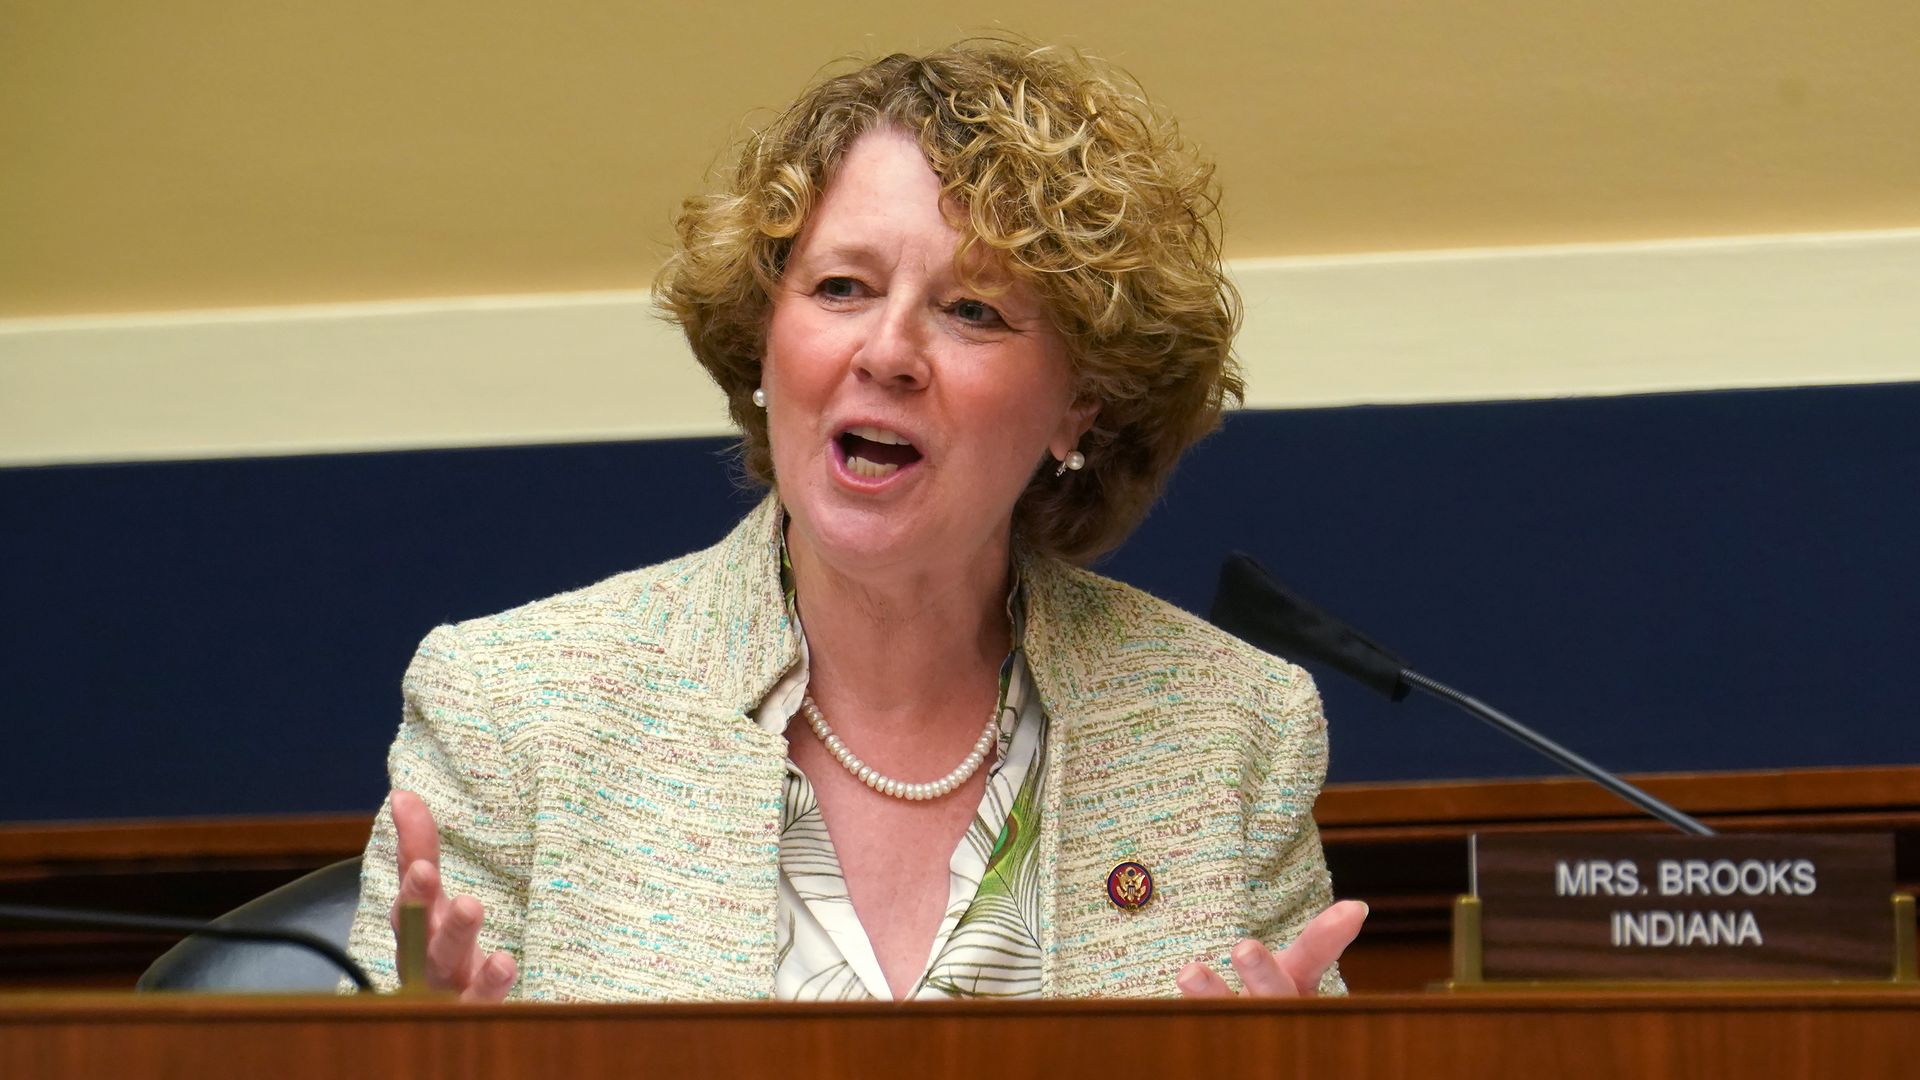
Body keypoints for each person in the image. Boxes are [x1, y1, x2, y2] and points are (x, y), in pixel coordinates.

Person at [344, 38, 1366, 1003]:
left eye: (972, 310)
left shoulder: (1231, 729)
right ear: (764, 343)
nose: (887, 351)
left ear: (1079, 408)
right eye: (842, 287)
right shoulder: (512, 710)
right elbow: (384, 1034)